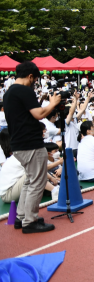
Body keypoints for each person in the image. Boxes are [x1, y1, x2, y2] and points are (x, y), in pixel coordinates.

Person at [4, 61, 61, 233]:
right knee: (37, 181)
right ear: (30, 76)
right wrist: (53, 103)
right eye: (35, 80)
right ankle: (30, 221)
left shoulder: (9, 93)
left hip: (19, 143)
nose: (34, 83)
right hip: (30, 143)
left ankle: (22, 217)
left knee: (30, 180)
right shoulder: (24, 90)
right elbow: (39, 114)